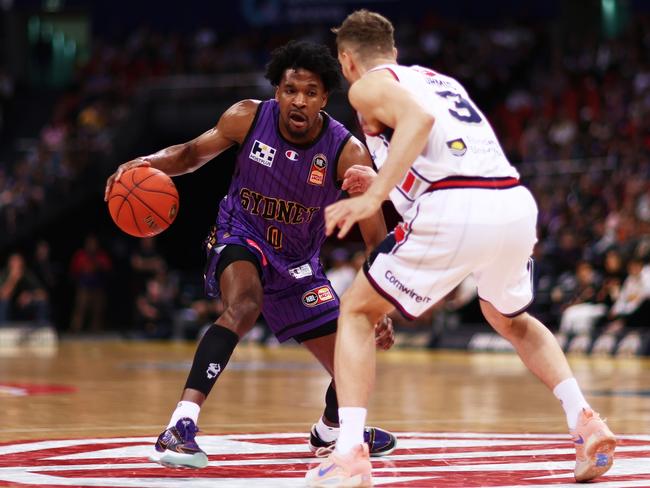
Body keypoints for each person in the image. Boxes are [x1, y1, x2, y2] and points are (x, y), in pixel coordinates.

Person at [307, 10, 616, 487]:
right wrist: (384, 185)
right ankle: (585, 420)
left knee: (355, 312)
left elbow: (417, 120)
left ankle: (348, 454)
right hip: (511, 203)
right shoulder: (439, 80)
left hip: (456, 206)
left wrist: (371, 198)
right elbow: (439, 151)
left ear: (347, 59)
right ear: (394, 50)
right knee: (510, 319)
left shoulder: (366, 85)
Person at [104, 40, 396, 469]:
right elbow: (188, 155)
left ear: (324, 98)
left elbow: (376, 235)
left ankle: (332, 429)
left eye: (310, 92)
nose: (299, 100)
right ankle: (180, 425)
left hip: (298, 264)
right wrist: (141, 164)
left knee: (355, 356)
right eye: (290, 89)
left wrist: (380, 303)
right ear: (276, 90)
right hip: (241, 234)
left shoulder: (346, 152)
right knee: (245, 304)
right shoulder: (247, 116)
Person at [0, 252, 49, 325]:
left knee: (42, 303)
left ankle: (42, 327)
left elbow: (44, 294)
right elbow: (3, 295)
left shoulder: (27, 274)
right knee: (4, 303)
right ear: (9, 263)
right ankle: (3, 328)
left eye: (19, 261)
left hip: (24, 306)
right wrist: (13, 279)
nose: (17, 264)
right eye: (14, 261)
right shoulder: (4, 274)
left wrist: (30, 296)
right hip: (9, 307)